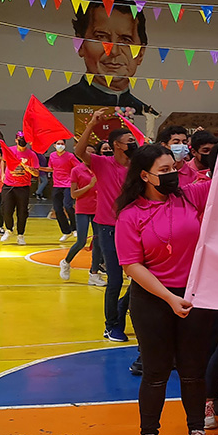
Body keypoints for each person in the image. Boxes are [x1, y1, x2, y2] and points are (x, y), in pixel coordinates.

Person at [115, 142, 216, 435]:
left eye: (174, 168)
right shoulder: (130, 216)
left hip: (193, 296)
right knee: (155, 372)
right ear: (145, 176)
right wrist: (170, 298)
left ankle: (196, 430)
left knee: (193, 371)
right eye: (164, 171)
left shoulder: (190, 196)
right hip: (153, 300)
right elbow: (132, 266)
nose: (172, 175)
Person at [75, 108, 136, 345]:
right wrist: (91, 124)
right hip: (108, 228)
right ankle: (111, 326)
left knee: (141, 277)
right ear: (116, 145)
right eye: (128, 141)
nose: (133, 144)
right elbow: (79, 151)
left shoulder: (137, 166)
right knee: (115, 279)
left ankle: (121, 309)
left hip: (132, 228)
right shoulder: (102, 163)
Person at [44, 0, 153, 114]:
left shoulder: (148, 116)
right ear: (80, 45)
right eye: (101, 37)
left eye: (125, 40)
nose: (113, 51)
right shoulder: (54, 110)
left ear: (141, 53)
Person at [60, 147, 106, 286]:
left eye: (93, 152)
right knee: (81, 241)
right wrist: (89, 185)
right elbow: (74, 194)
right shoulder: (76, 170)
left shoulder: (101, 169)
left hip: (98, 209)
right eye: (87, 152)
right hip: (83, 209)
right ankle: (66, 261)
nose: (90, 155)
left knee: (98, 242)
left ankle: (94, 274)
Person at [0, 134, 40, 246]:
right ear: (16, 140)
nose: (22, 141)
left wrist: (28, 168)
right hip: (8, 185)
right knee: (6, 210)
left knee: (22, 212)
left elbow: (36, 172)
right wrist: (2, 173)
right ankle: (8, 229)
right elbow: (3, 160)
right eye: (20, 139)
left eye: (24, 139)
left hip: (23, 186)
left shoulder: (31, 155)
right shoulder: (10, 151)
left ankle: (20, 235)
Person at [47, 140, 81, 242]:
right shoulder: (52, 156)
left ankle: (74, 228)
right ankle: (66, 231)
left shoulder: (70, 156)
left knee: (68, 205)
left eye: (62, 144)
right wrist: (38, 168)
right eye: (58, 144)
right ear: (54, 145)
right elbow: (50, 168)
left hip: (68, 184)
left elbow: (78, 167)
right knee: (57, 209)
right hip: (57, 185)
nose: (60, 146)